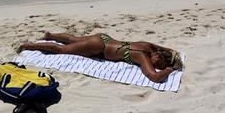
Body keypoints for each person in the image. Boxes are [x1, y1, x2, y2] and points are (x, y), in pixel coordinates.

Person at [17, 32, 183, 83]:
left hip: (104, 39)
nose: (157, 66)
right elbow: (154, 77)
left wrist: (173, 57)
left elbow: (167, 49)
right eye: (160, 64)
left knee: (73, 40)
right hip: (99, 47)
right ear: (159, 57)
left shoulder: (150, 47)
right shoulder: (142, 55)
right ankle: (29, 46)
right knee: (62, 50)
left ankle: (50, 35)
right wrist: (169, 69)